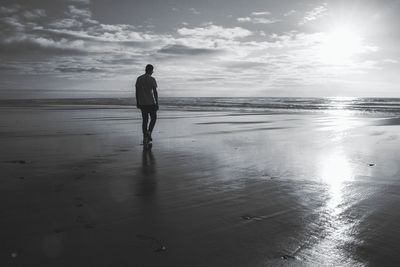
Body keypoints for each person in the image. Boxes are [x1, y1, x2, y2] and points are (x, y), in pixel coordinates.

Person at [135, 64, 159, 144]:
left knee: (145, 120)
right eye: (152, 70)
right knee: (154, 118)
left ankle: (145, 138)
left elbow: (137, 92)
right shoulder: (152, 79)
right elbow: (155, 92)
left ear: (145, 69)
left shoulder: (139, 78)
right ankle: (149, 132)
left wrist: (137, 101)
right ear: (151, 70)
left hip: (142, 103)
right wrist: (157, 103)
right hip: (151, 102)